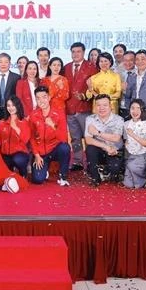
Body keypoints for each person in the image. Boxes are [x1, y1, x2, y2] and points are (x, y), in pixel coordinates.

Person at [65, 42, 98, 171]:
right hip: (70, 109)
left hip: (85, 108)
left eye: (78, 51)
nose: (75, 54)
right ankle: (78, 161)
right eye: (73, 52)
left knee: (89, 137)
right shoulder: (66, 67)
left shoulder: (91, 67)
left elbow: (95, 88)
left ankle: (91, 162)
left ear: (84, 52)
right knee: (75, 138)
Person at [28, 85, 71, 186]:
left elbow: (63, 138)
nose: (41, 100)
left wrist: (53, 125)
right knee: (38, 180)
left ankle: (63, 176)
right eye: (38, 98)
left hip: (54, 149)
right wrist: (37, 155)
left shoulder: (59, 113)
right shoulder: (33, 115)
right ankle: (44, 170)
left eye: (44, 97)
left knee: (65, 148)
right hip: (41, 153)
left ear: (49, 97)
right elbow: (32, 137)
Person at [84, 94, 125, 186]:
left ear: (110, 106)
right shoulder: (90, 119)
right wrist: (106, 147)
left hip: (115, 150)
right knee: (90, 149)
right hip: (101, 149)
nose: (101, 108)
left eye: (105, 105)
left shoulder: (118, 119)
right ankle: (95, 177)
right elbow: (88, 140)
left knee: (114, 172)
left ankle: (108, 171)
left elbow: (116, 138)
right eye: (98, 105)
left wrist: (98, 133)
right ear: (95, 106)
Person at [0, 95, 31, 178]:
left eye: (13, 105)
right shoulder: (2, 122)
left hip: (19, 154)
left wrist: (15, 127)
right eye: (8, 105)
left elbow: (25, 139)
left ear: (18, 106)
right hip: (5, 154)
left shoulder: (24, 121)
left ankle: (23, 173)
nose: (11, 108)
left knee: (18, 160)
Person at [123, 99, 146, 188]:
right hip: (130, 155)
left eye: (138, 108)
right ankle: (135, 174)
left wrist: (133, 135)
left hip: (144, 155)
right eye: (133, 108)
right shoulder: (126, 124)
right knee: (128, 184)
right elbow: (126, 140)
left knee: (132, 166)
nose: (135, 111)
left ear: (142, 110)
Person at [0, 53, 20, 129]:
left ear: (10, 63)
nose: (3, 64)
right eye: (1, 62)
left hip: (10, 111)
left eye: (6, 62)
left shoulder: (16, 77)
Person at [119, 50, 137, 119]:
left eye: (131, 60)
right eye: (125, 60)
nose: (128, 63)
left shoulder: (139, 74)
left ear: (135, 61)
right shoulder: (118, 74)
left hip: (134, 109)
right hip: (120, 107)